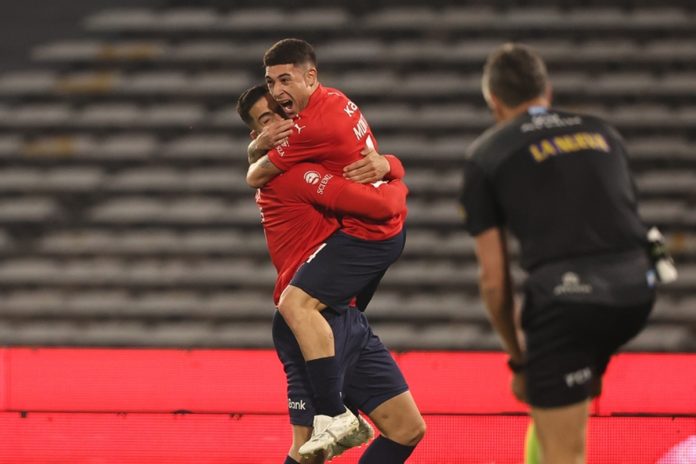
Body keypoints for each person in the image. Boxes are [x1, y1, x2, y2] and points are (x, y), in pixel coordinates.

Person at [460, 43, 657, 464]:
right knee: (564, 398)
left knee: (564, 453)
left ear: (495, 103)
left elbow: (495, 280)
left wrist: (520, 363)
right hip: (638, 290)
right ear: (546, 90)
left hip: (570, 304)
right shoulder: (603, 131)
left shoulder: (486, 153)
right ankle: (582, 374)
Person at [237, 85, 425, 463]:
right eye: (267, 119)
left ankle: (333, 416)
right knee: (309, 451)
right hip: (308, 317)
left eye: (282, 109)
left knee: (407, 429)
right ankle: (332, 413)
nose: (283, 121)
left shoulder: (309, 157)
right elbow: (382, 205)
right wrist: (394, 169)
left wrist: (384, 163)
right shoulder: (295, 174)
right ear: (258, 136)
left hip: (342, 312)